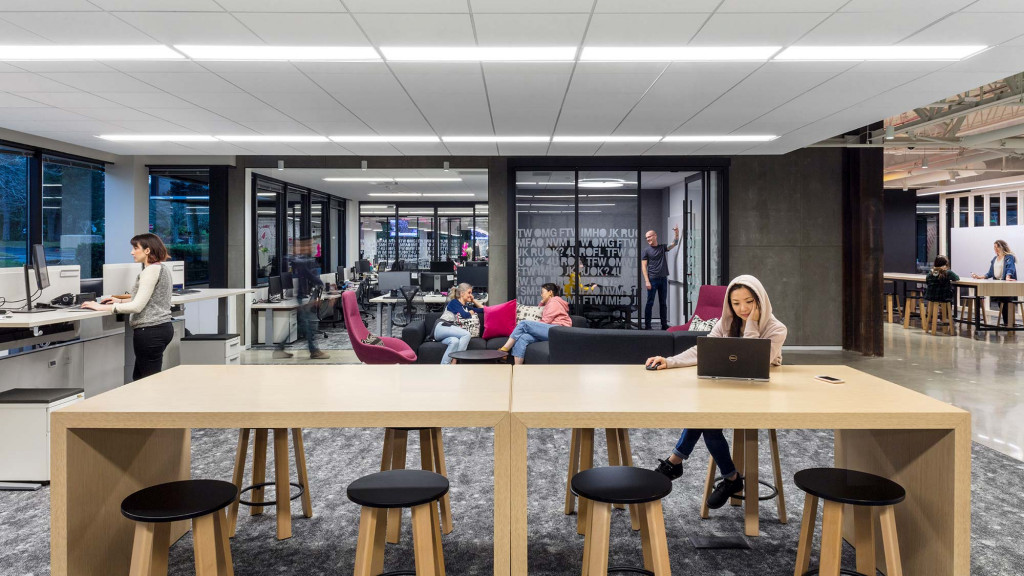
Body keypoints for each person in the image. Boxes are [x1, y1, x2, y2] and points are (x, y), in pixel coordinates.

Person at [644, 275, 787, 509]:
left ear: (760, 300)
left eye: (749, 302)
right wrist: (669, 361)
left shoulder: (776, 329)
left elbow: (752, 363)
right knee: (705, 415)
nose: (742, 309)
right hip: (729, 388)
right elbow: (704, 350)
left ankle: (679, 463)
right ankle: (724, 476)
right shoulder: (726, 323)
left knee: (707, 419)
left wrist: (751, 325)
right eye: (736, 303)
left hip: (758, 395)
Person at [81, 233, 174, 381]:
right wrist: (119, 301)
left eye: (135, 248)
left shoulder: (150, 271)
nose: (132, 252)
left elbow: (137, 307)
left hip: (150, 330)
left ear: (147, 250)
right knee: (139, 378)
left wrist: (101, 307)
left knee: (149, 381)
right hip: (161, 328)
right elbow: (149, 299)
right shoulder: (161, 268)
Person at [499, 283, 571, 365]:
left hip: (557, 330)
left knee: (524, 324)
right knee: (523, 338)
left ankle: (504, 349)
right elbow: (540, 312)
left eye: (542, 292)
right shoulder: (550, 303)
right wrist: (542, 302)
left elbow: (545, 321)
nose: (541, 295)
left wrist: (532, 328)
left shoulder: (554, 302)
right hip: (550, 331)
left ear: (550, 292)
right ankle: (518, 368)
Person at [287, 237, 330, 360]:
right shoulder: (300, 260)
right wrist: (320, 283)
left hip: (304, 297)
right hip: (301, 298)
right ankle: (314, 351)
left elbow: (311, 274)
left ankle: (280, 348)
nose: (312, 247)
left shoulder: (305, 260)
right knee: (307, 325)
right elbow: (309, 274)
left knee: (303, 325)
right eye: (310, 245)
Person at [434, 283, 483, 364]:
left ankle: (444, 366)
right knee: (466, 334)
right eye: (469, 293)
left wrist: (473, 300)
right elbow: (464, 315)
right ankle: (455, 361)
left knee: (455, 341)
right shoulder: (454, 302)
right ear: (462, 293)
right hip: (441, 327)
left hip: (447, 332)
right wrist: (470, 312)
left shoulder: (464, 307)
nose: (471, 295)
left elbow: (483, 309)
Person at [971, 239, 1017, 325]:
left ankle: (1009, 324)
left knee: (1006, 303)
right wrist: (980, 277)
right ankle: (1007, 323)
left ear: (1002, 247)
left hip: (1006, 285)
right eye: (994, 247)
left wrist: (1008, 276)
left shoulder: (1009, 257)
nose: (995, 249)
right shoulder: (994, 259)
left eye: (997, 247)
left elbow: (1010, 268)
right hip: (998, 284)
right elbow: (990, 273)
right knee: (1001, 303)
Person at [642, 226, 680, 330]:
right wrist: (647, 281)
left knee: (663, 303)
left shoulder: (662, 248)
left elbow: (674, 243)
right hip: (652, 280)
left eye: (649, 236)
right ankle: (647, 325)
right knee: (650, 302)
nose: (648, 239)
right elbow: (644, 267)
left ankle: (664, 325)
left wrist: (677, 233)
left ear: (655, 236)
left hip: (663, 279)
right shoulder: (646, 251)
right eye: (646, 237)